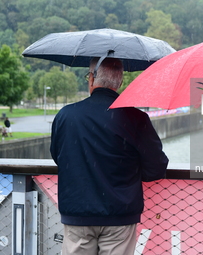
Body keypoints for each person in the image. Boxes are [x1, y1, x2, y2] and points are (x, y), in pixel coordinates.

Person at [50, 57, 169, 255]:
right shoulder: (136, 118)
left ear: (91, 79)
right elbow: (156, 167)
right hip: (120, 214)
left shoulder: (66, 115)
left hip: (77, 212)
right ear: (120, 82)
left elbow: (58, 156)